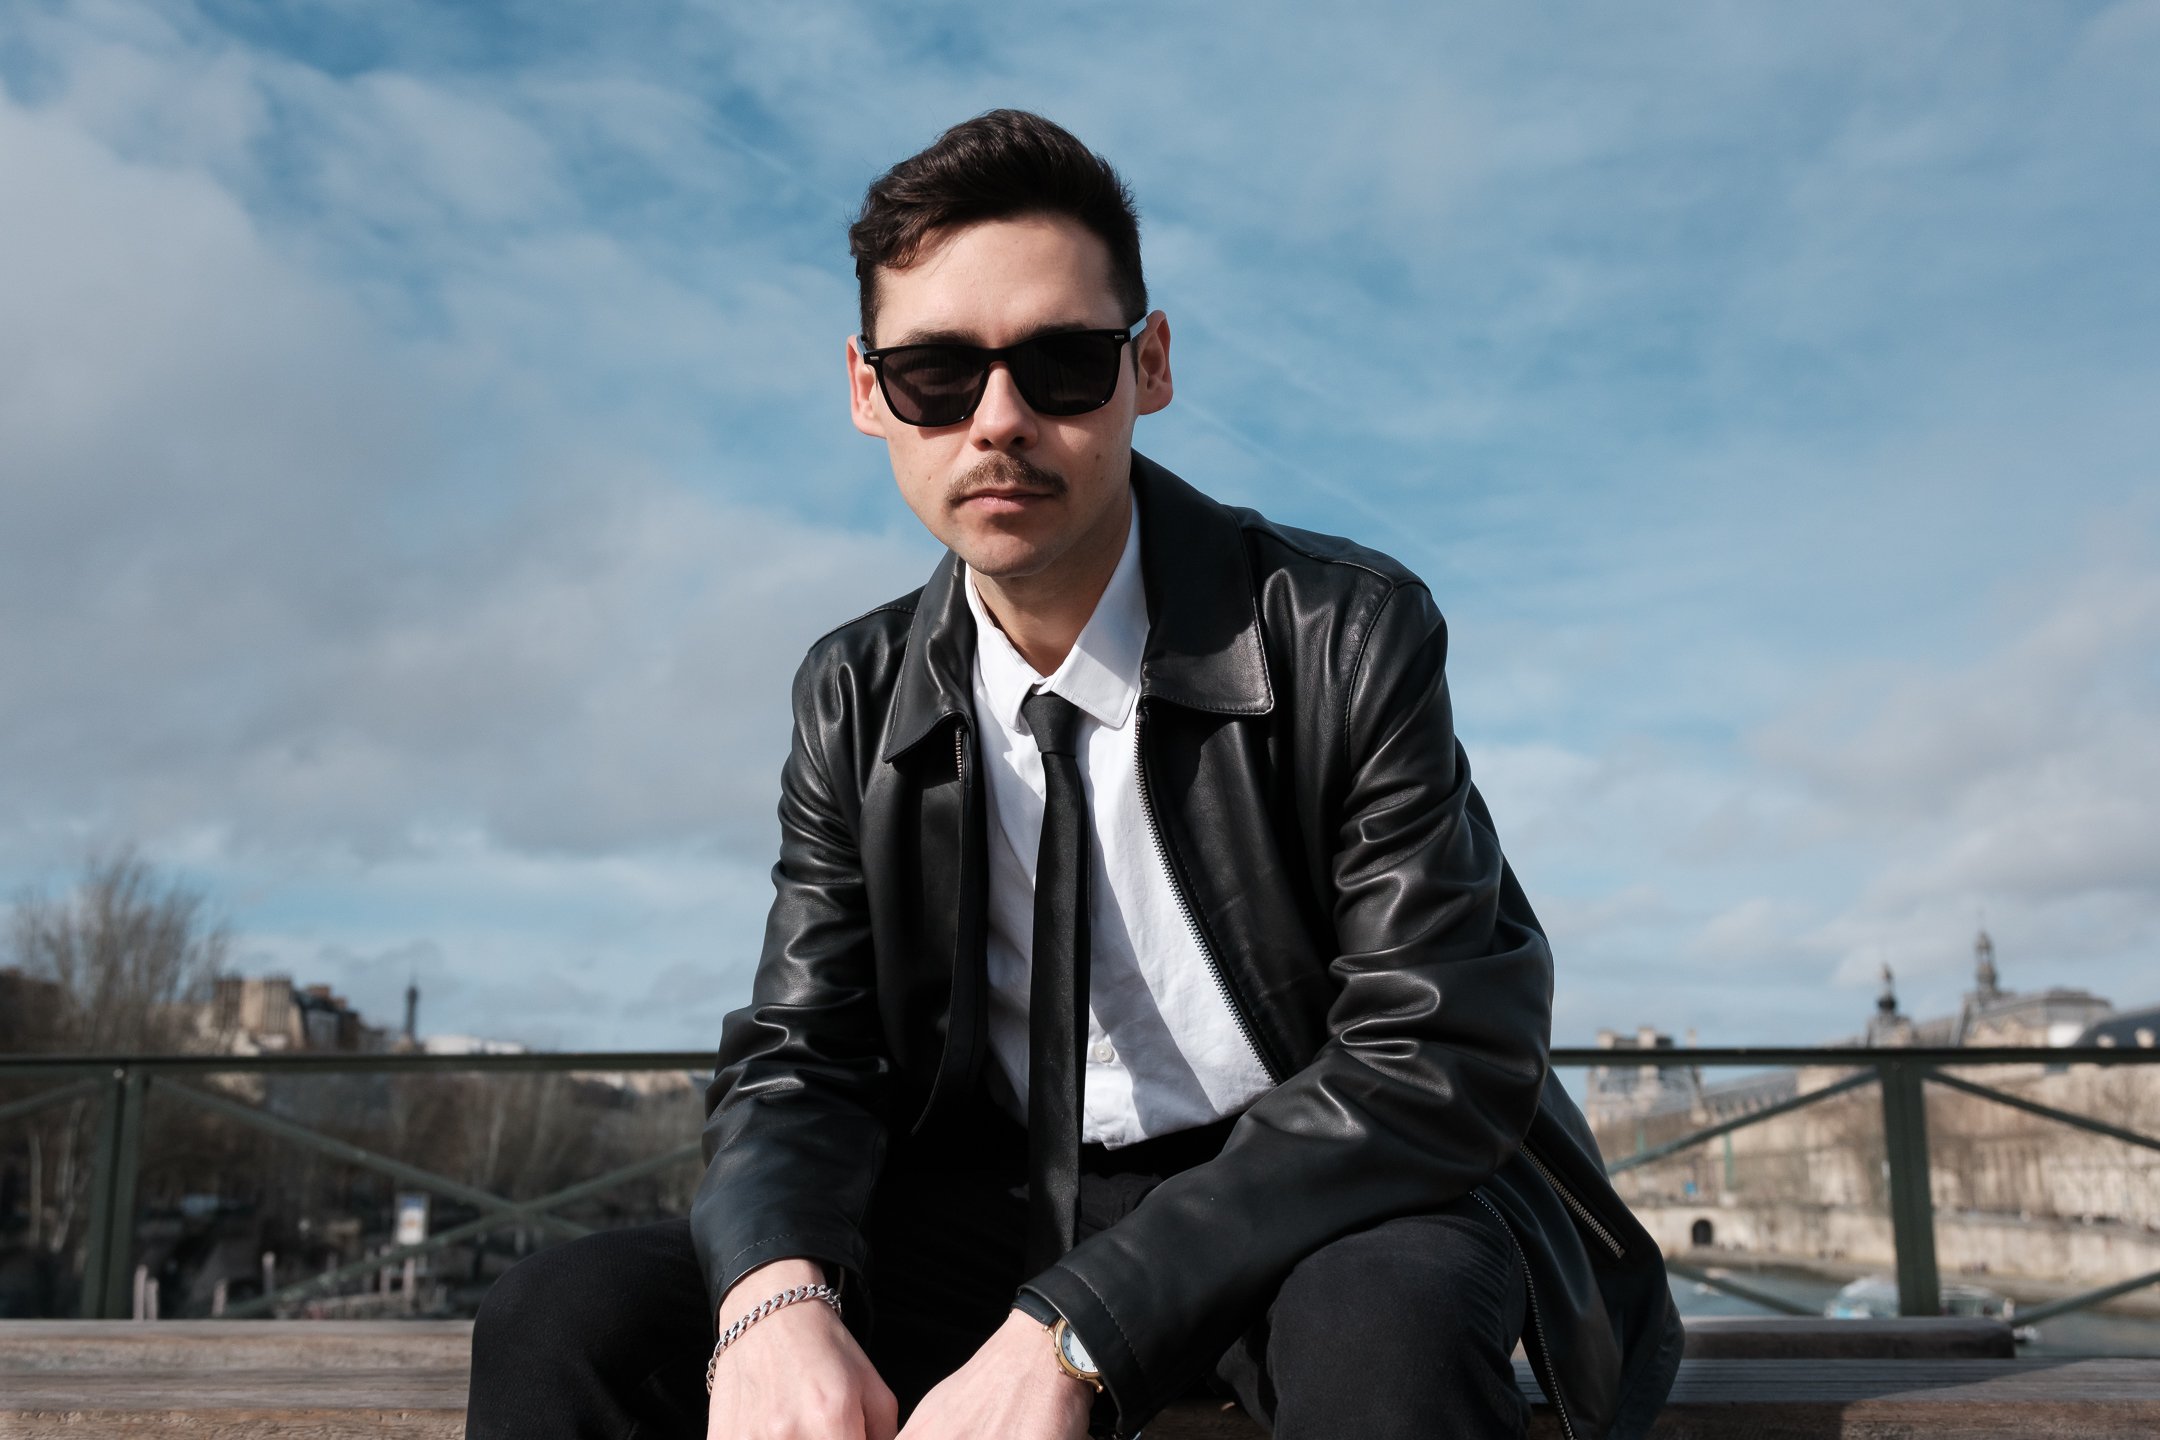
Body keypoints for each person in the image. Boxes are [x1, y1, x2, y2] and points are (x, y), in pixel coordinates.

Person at [467, 109, 1681, 1440]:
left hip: (1322, 1194)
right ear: (870, 394)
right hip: (991, 1206)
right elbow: (803, 1056)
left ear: (1147, 366)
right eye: (936, 375)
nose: (998, 422)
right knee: (560, 1321)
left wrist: (1081, 1321)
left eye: (1060, 363)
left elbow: (1436, 1048)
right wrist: (776, 1293)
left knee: (1386, 1337)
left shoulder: (1340, 632)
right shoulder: (855, 692)